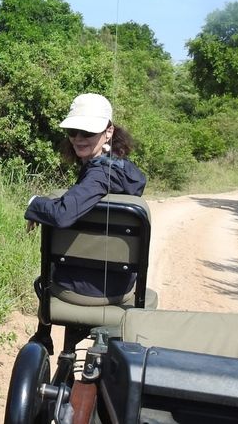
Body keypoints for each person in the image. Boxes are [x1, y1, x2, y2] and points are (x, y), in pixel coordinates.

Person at [24, 93, 146, 354]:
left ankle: (43, 336)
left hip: (81, 290)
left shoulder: (100, 174)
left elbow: (63, 215)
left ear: (108, 131)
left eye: (88, 132)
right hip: (120, 287)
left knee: (45, 278)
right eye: (73, 131)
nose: (78, 139)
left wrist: (34, 204)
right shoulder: (124, 171)